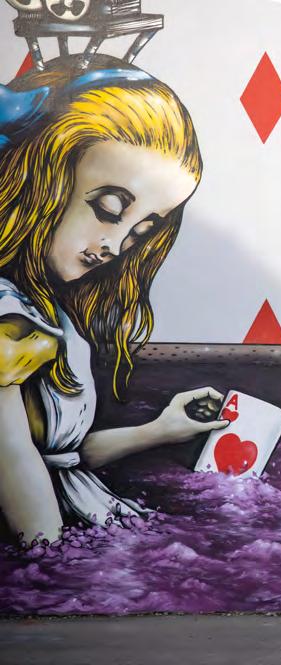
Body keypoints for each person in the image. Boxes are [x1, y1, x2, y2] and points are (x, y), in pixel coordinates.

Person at [0, 54, 230, 546]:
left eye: (142, 230)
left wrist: (161, 429)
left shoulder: (46, 310)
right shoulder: (9, 320)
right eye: (108, 209)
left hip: (90, 526)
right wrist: (59, 569)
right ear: (39, 175)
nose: (118, 246)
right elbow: (13, 464)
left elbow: (62, 459)